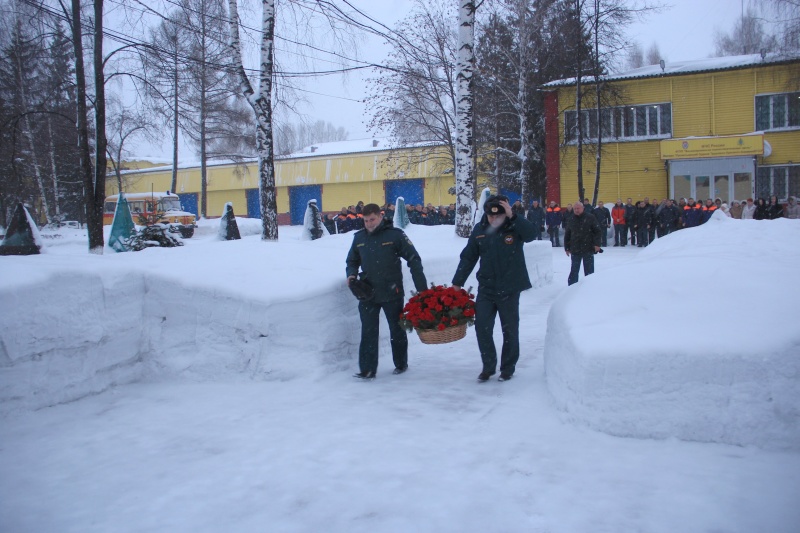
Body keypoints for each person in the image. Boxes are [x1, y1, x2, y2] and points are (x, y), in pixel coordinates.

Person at [452, 195, 536, 382]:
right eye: (490, 216)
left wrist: (513, 216)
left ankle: (507, 368)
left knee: (510, 330)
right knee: (482, 328)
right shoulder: (480, 229)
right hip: (487, 288)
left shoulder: (514, 226)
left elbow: (531, 234)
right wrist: (457, 282)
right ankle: (488, 367)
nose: (493, 219)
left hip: (509, 288)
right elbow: (468, 257)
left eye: (498, 216)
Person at [346, 203, 428, 379]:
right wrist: (351, 275)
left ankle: (401, 364)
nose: (369, 223)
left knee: (397, 330)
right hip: (368, 293)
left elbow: (414, 259)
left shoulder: (395, 235)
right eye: (366, 220)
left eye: (372, 219)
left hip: (392, 292)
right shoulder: (359, 238)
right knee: (368, 331)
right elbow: (352, 261)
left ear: (381, 216)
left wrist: (422, 289)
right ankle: (367, 369)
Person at [564, 201, 601, 285]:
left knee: (589, 271)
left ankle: (590, 286)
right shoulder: (571, 219)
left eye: (578, 208)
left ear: (583, 208)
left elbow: (598, 232)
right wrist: (567, 247)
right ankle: (571, 287)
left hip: (588, 248)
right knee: (574, 270)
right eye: (575, 209)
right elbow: (567, 234)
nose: (577, 210)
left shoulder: (590, 217)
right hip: (575, 248)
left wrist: (597, 244)